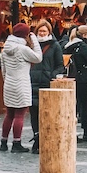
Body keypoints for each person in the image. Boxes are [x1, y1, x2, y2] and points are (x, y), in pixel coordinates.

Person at [0, 23, 42, 153]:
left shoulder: (6, 49)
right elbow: (38, 57)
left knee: (9, 114)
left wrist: (7, 81)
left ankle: (3, 142)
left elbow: (3, 70)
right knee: (20, 114)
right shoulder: (22, 49)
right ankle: (16, 143)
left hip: (9, 83)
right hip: (21, 84)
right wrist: (34, 39)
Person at [28, 19, 67, 154]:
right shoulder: (31, 45)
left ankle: (43, 139)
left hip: (46, 83)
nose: (42, 33)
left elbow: (60, 65)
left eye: (44, 31)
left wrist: (51, 75)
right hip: (32, 82)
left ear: (49, 32)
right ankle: (36, 136)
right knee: (34, 111)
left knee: (45, 112)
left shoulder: (55, 46)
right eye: (40, 31)